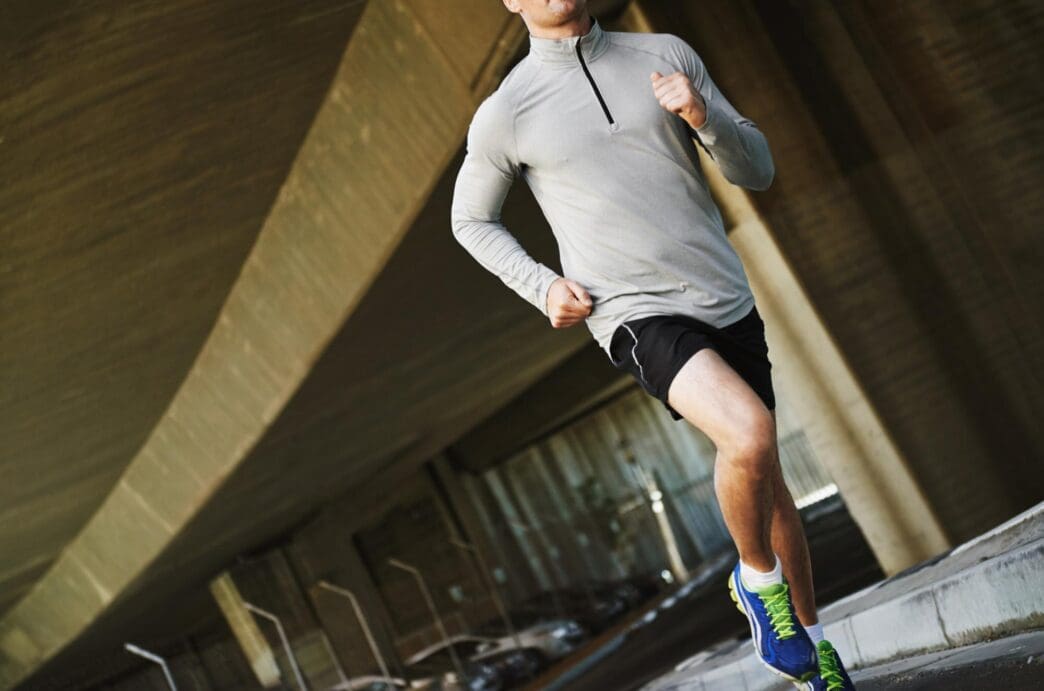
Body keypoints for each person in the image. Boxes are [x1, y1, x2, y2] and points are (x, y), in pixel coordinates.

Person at [449, 1, 854, 688]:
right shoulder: (507, 109)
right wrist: (543, 286)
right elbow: (471, 220)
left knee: (768, 481)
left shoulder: (663, 53)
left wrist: (703, 117)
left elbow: (756, 168)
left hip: (723, 296)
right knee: (749, 434)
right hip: (632, 310)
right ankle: (757, 581)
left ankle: (813, 654)